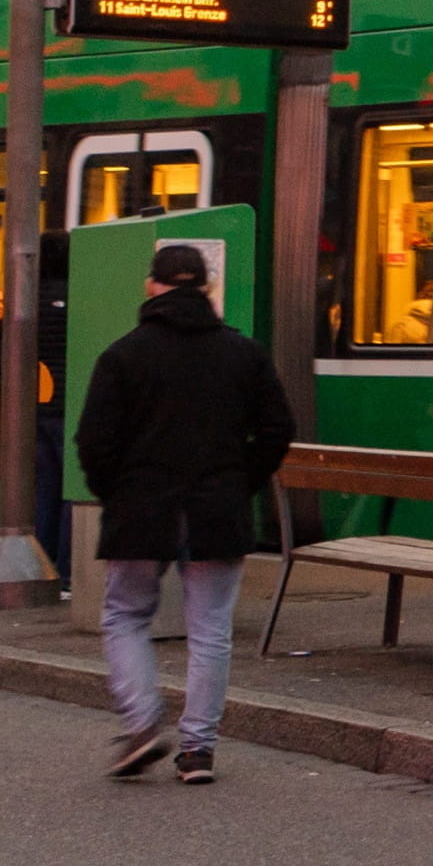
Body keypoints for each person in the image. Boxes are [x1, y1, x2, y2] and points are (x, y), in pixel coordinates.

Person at [72, 245, 293, 789]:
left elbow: (93, 441)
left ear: (153, 287)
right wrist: (241, 482)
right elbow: (276, 430)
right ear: (206, 288)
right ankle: (197, 750)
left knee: (125, 615)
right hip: (218, 507)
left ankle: (143, 722)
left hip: (141, 507)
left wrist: (114, 493)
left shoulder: (123, 356)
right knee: (211, 629)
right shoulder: (244, 354)